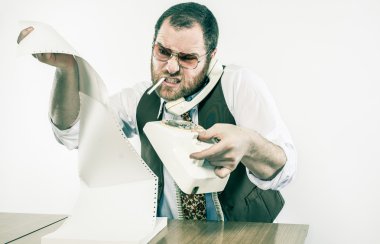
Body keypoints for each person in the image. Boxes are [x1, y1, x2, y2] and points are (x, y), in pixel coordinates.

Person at [17, 2, 296, 222]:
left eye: (187, 58)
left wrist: (249, 144)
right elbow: (73, 134)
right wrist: (66, 69)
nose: (171, 67)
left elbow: (285, 169)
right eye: (163, 52)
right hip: (172, 233)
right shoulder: (140, 99)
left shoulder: (239, 85)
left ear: (211, 57)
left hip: (245, 232)